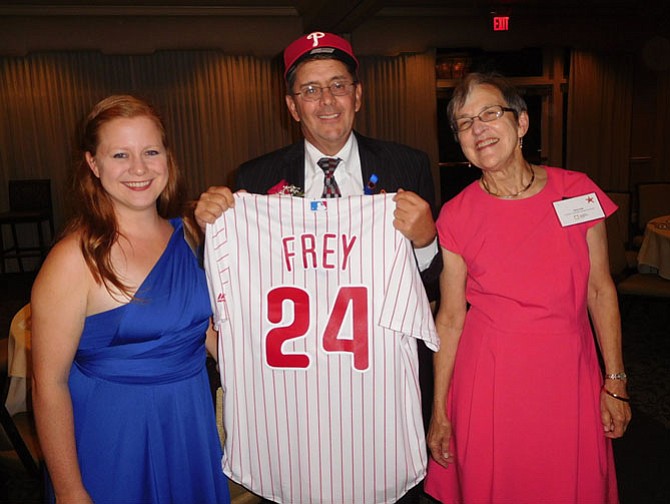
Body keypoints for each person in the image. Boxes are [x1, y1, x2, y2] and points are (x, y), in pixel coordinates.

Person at [195, 32, 441, 503]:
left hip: (378, 386)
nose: (326, 101)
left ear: (358, 95)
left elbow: (430, 285)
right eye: (310, 90)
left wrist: (427, 239)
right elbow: (232, 291)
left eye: (338, 85)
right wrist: (214, 227)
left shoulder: (407, 165)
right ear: (292, 107)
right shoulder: (254, 180)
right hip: (295, 391)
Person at [424, 72, 632, 503]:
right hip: (490, 380)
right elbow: (449, 318)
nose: (478, 128)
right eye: (464, 123)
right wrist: (440, 411)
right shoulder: (456, 216)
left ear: (521, 124)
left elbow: (600, 291)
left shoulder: (575, 191)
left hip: (567, 375)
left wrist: (615, 381)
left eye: (489, 113)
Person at [30, 95, 231, 504]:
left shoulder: (191, 235)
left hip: (188, 423)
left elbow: (205, 334)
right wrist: (70, 490)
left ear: (168, 158)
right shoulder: (73, 259)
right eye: (120, 154)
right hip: (113, 435)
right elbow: (47, 385)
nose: (139, 168)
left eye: (150, 151)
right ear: (93, 163)